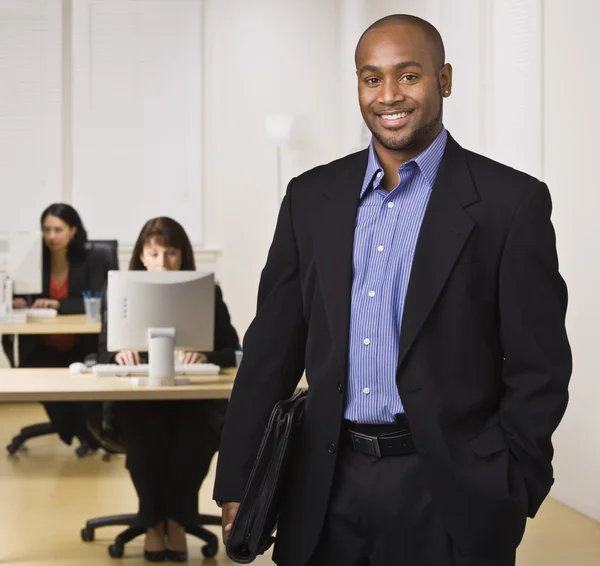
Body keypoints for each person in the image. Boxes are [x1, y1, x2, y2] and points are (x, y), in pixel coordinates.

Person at [214, 14, 572, 566]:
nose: (389, 96)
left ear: (444, 80)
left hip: (451, 490)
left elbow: (539, 366)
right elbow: (270, 352)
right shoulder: (311, 198)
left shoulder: (512, 204)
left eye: (409, 76)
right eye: (371, 78)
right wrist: (238, 479)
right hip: (325, 484)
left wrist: (512, 483)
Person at [97, 216, 239, 563]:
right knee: (146, 438)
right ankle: (151, 522)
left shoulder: (208, 290)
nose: (163, 262)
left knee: (193, 439)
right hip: (139, 402)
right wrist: (117, 353)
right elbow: (101, 351)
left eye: (171, 253)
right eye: (155, 253)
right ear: (142, 256)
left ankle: (177, 521)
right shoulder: (119, 291)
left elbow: (232, 349)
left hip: (193, 400)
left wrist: (206, 353)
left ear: (184, 255)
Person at [2, 203, 110, 450]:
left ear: (73, 230)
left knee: (80, 386)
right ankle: (73, 431)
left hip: (80, 345)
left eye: (58, 229)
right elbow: (23, 295)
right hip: (42, 345)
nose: (51, 236)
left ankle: (82, 432)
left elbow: (97, 299)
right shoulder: (32, 258)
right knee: (39, 377)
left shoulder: (93, 259)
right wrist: (16, 300)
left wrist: (58, 304)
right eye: (46, 229)